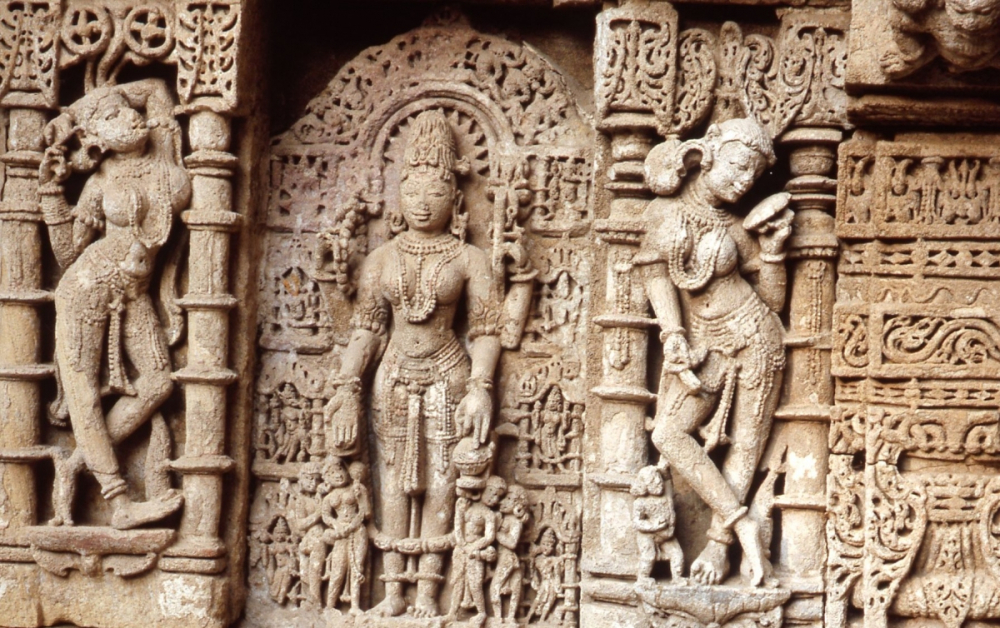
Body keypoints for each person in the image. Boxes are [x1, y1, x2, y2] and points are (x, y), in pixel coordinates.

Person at [324, 109, 502, 617]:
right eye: (413, 191)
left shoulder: (469, 259)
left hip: (449, 373)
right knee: (391, 480)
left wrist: (481, 387)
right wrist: (347, 386)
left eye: (435, 192)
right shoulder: (382, 259)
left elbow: (487, 329)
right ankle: (393, 592)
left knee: (443, 478)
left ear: (456, 199)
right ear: (399, 195)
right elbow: (367, 329)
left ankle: (427, 592)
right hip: (394, 376)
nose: (423, 203)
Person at [637, 118, 791, 587]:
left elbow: (773, 301)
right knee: (668, 434)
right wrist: (672, 335)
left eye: (753, 175)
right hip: (704, 343)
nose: (744, 181)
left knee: (746, 443)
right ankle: (742, 523)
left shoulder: (738, 228)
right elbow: (654, 274)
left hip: (757, 336)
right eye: (738, 166)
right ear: (708, 155)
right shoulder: (663, 213)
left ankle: (720, 545)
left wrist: (774, 252)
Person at [38, 79, 191, 529]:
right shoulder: (99, 183)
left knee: (159, 382)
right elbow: (67, 254)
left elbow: (155, 88)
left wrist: (69, 113)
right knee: (83, 393)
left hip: (133, 293)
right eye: (110, 117)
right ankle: (119, 502)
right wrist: (52, 191)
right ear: (96, 140)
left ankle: (76, 464)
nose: (128, 116)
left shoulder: (165, 152)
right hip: (87, 287)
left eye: (125, 109)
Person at [631, 465, 684, 583]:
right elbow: (636, 522)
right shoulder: (640, 502)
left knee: (677, 554)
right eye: (652, 480)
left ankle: (677, 578)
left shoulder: (667, 496)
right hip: (648, 536)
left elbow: (668, 480)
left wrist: (664, 469)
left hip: (666, 536)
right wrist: (654, 525)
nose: (658, 482)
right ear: (644, 485)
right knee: (648, 556)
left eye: (658, 478)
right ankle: (643, 578)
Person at [491, 483, 529, 622]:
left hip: (507, 558)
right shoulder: (503, 518)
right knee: (514, 587)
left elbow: (512, 543)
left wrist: (496, 533)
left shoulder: (515, 522)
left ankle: (502, 618)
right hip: (502, 558)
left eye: (508, 499)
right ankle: (505, 618)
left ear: (518, 505)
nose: (502, 501)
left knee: (495, 588)